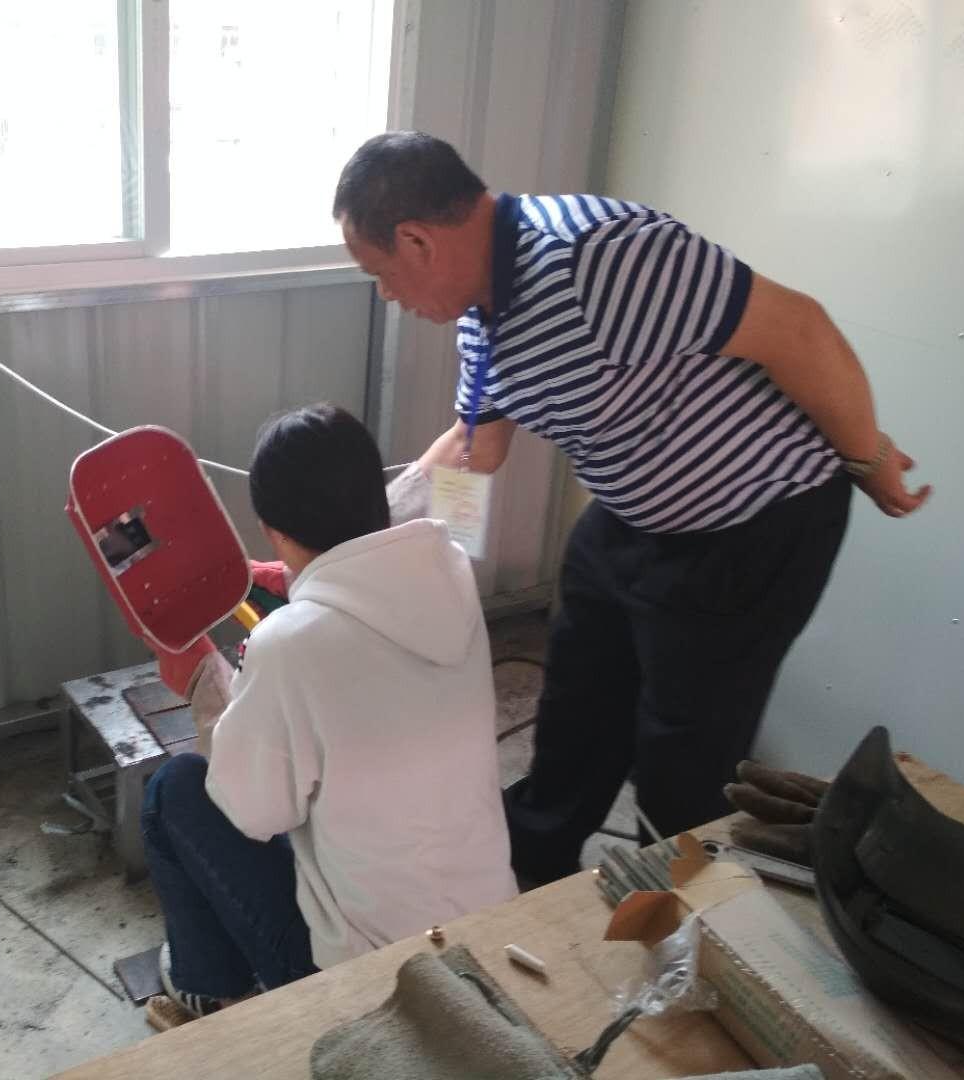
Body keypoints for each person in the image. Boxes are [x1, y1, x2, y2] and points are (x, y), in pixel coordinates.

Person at [334, 132, 932, 885]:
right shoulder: (482, 310)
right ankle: (530, 873)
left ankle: (676, 908)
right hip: (632, 511)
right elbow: (473, 448)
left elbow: (801, 330)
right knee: (576, 711)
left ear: (418, 240)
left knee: (683, 757)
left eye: (381, 275)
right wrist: (347, 556)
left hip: (751, 523)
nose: (388, 297)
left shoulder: (604, 258)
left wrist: (869, 460)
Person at [140, 403, 517, 1020]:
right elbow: (376, 568)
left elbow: (254, 813)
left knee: (175, 789)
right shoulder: (450, 572)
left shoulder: (288, 646)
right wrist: (310, 581)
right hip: (484, 930)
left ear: (274, 532)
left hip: (375, 984)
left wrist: (203, 681)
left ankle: (209, 986)